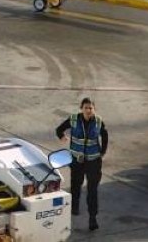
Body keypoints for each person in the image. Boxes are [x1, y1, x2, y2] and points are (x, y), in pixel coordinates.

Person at [56, 97, 109, 231]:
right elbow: (59, 129)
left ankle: (92, 218)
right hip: (77, 161)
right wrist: (62, 137)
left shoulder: (98, 121)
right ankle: (74, 206)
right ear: (81, 108)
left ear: (94, 109)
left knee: (92, 190)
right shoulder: (73, 119)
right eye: (86, 107)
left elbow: (105, 136)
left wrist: (103, 152)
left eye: (90, 108)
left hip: (93, 162)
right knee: (76, 185)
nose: (88, 110)